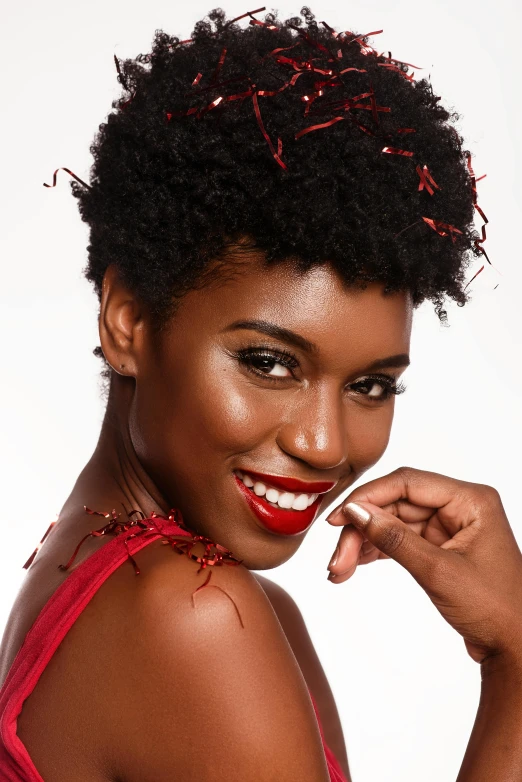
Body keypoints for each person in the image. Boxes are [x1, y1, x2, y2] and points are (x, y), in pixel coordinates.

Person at [1, 6, 521, 781]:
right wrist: (516, 663)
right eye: (270, 362)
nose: (325, 444)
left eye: (372, 384)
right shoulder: (195, 616)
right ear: (129, 320)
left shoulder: (89, 562)